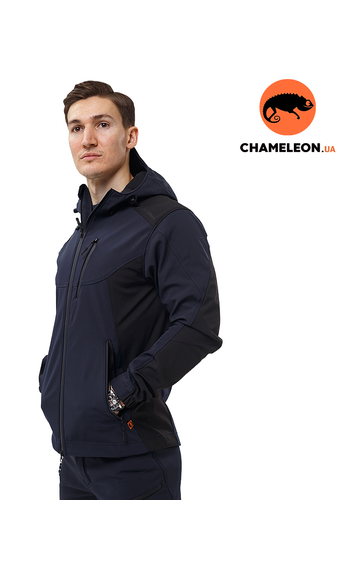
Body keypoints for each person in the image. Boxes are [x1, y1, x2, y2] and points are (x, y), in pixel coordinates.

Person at [39, 80, 222, 500]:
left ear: (130, 136)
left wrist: (122, 391)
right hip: (73, 457)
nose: (87, 139)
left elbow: (198, 323)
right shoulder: (76, 242)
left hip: (134, 457)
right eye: (76, 128)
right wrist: (50, 381)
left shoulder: (167, 222)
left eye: (102, 124)